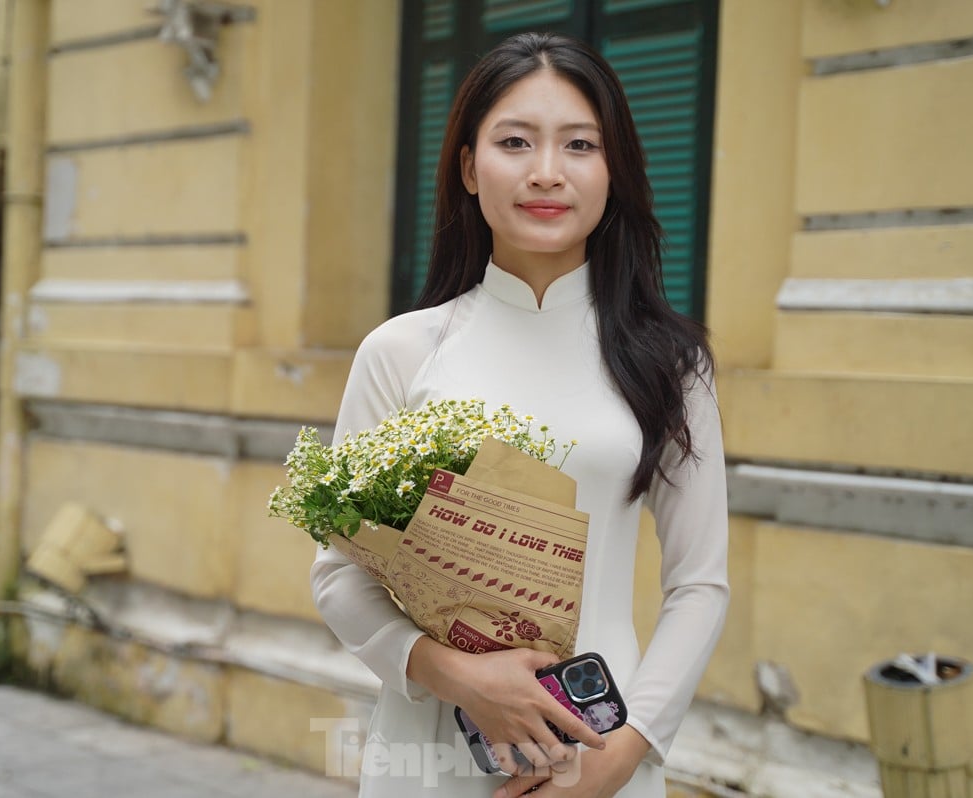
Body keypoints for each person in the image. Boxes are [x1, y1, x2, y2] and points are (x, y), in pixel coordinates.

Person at [310, 31, 729, 798]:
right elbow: (340, 573)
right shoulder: (403, 351)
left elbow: (699, 584)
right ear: (470, 167)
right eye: (514, 142)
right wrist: (458, 676)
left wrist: (625, 754)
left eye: (578, 145)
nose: (546, 172)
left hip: (597, 744)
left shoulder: (669, 363)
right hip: (430, 749)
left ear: (613, 171)